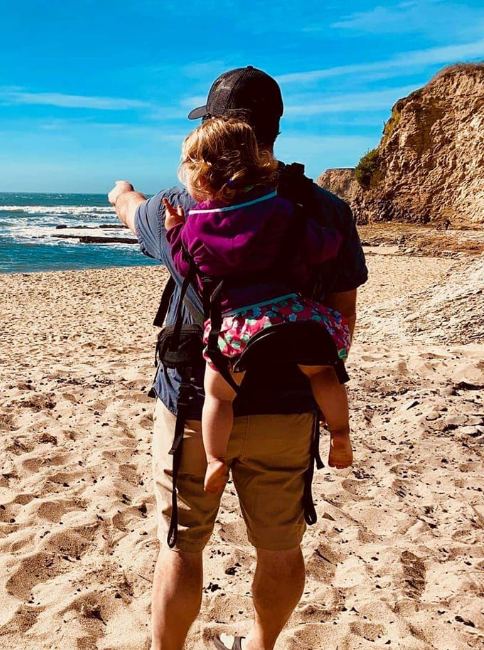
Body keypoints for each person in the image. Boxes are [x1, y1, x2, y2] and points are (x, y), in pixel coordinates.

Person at [107, 67, 368, 650]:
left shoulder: (184, 205)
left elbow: (133, 212)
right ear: (274, 130)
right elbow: (342, 316)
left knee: (180, 548)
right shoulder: (324, 211)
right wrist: (321, 386)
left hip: (196, 405)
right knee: (279, 548)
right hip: (289, 406)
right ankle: (260, 645)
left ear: (212, 130)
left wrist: (122, 190)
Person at [163, 117, 354, 495]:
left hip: (234, 328)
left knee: (219, 394)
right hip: (291, 318)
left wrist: (173, 229)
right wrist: (333, 234)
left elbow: (187, 269)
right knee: (323, 373)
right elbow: (323, 248)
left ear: (198, 175)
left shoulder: (196, 227)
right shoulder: (283, 210)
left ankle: (215, 459)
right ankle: (341, 433)